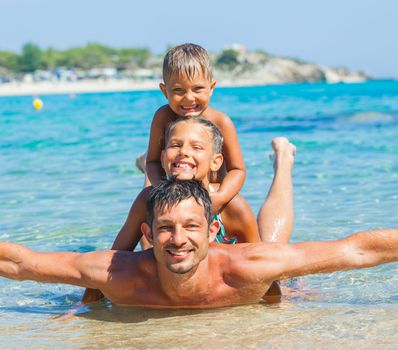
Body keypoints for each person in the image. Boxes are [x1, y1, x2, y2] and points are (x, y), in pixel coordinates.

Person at [1, 178, 398, 309]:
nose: (178, 240)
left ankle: (284, 163)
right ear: (146, 235)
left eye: (191, 227)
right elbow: (22, 264)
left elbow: (357, 249)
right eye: (165, 228)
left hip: (262, 262)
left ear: (211, 231)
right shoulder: (114, 275)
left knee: (276, 243)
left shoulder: (248, 267)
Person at [81, 117, 295, 302]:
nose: (183, 152)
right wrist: (85, 306)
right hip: (172, 254)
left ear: (215, 162)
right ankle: (149, 168)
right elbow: (114, 260)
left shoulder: (232, 205)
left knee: (274, 247)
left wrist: (278, 304)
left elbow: (261, 264)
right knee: (151, 236)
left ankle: (283, 159)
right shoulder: (147, 199)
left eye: (196, 147)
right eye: (176, 145)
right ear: (163, 157)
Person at [141, 43, 246, 214]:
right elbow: (153, 162)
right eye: (178, 90)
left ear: (211, 88)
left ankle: (283, 159)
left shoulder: (221, 122)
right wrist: (164, 190)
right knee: (149, 226)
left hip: (210, 193)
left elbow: (237, 170)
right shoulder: (163, 117)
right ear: (164, 91)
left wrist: (220, 197)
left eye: (197, 89)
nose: (189, 98)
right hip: (174, 186)